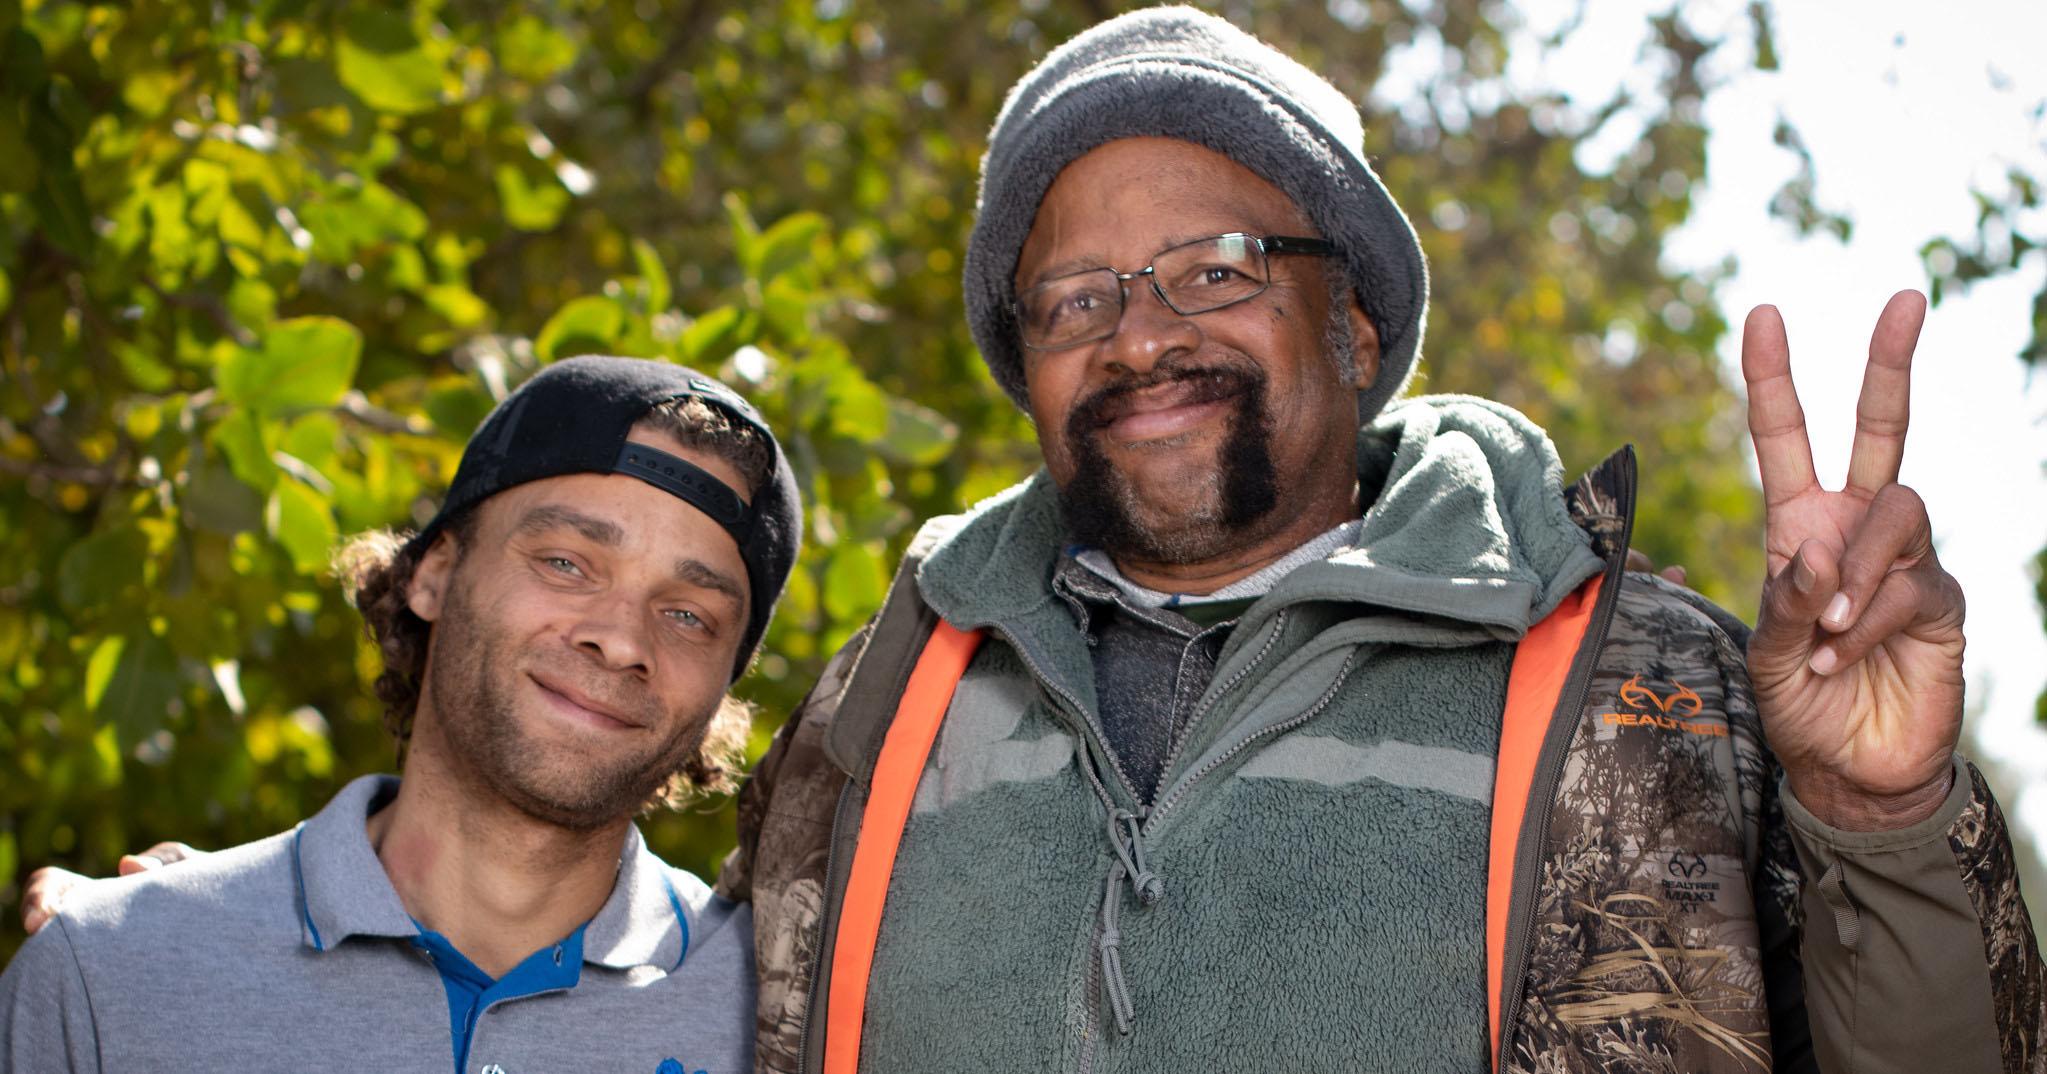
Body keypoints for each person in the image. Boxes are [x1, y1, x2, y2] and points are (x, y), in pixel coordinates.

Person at [715, 8, 2043, 1074]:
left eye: (1217, 266)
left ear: (1350, 327)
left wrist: (1881, 819)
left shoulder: (1645, 685)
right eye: (1075, 300)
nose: (1137, 334)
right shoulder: (872, 710)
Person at [1, 357, 803, 1074]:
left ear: (720, 695)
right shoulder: (111, 975)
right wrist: (171, 931)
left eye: (690, 614)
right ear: (436, 573)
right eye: (566, 563)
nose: (622, 638)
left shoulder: (794, 1026)